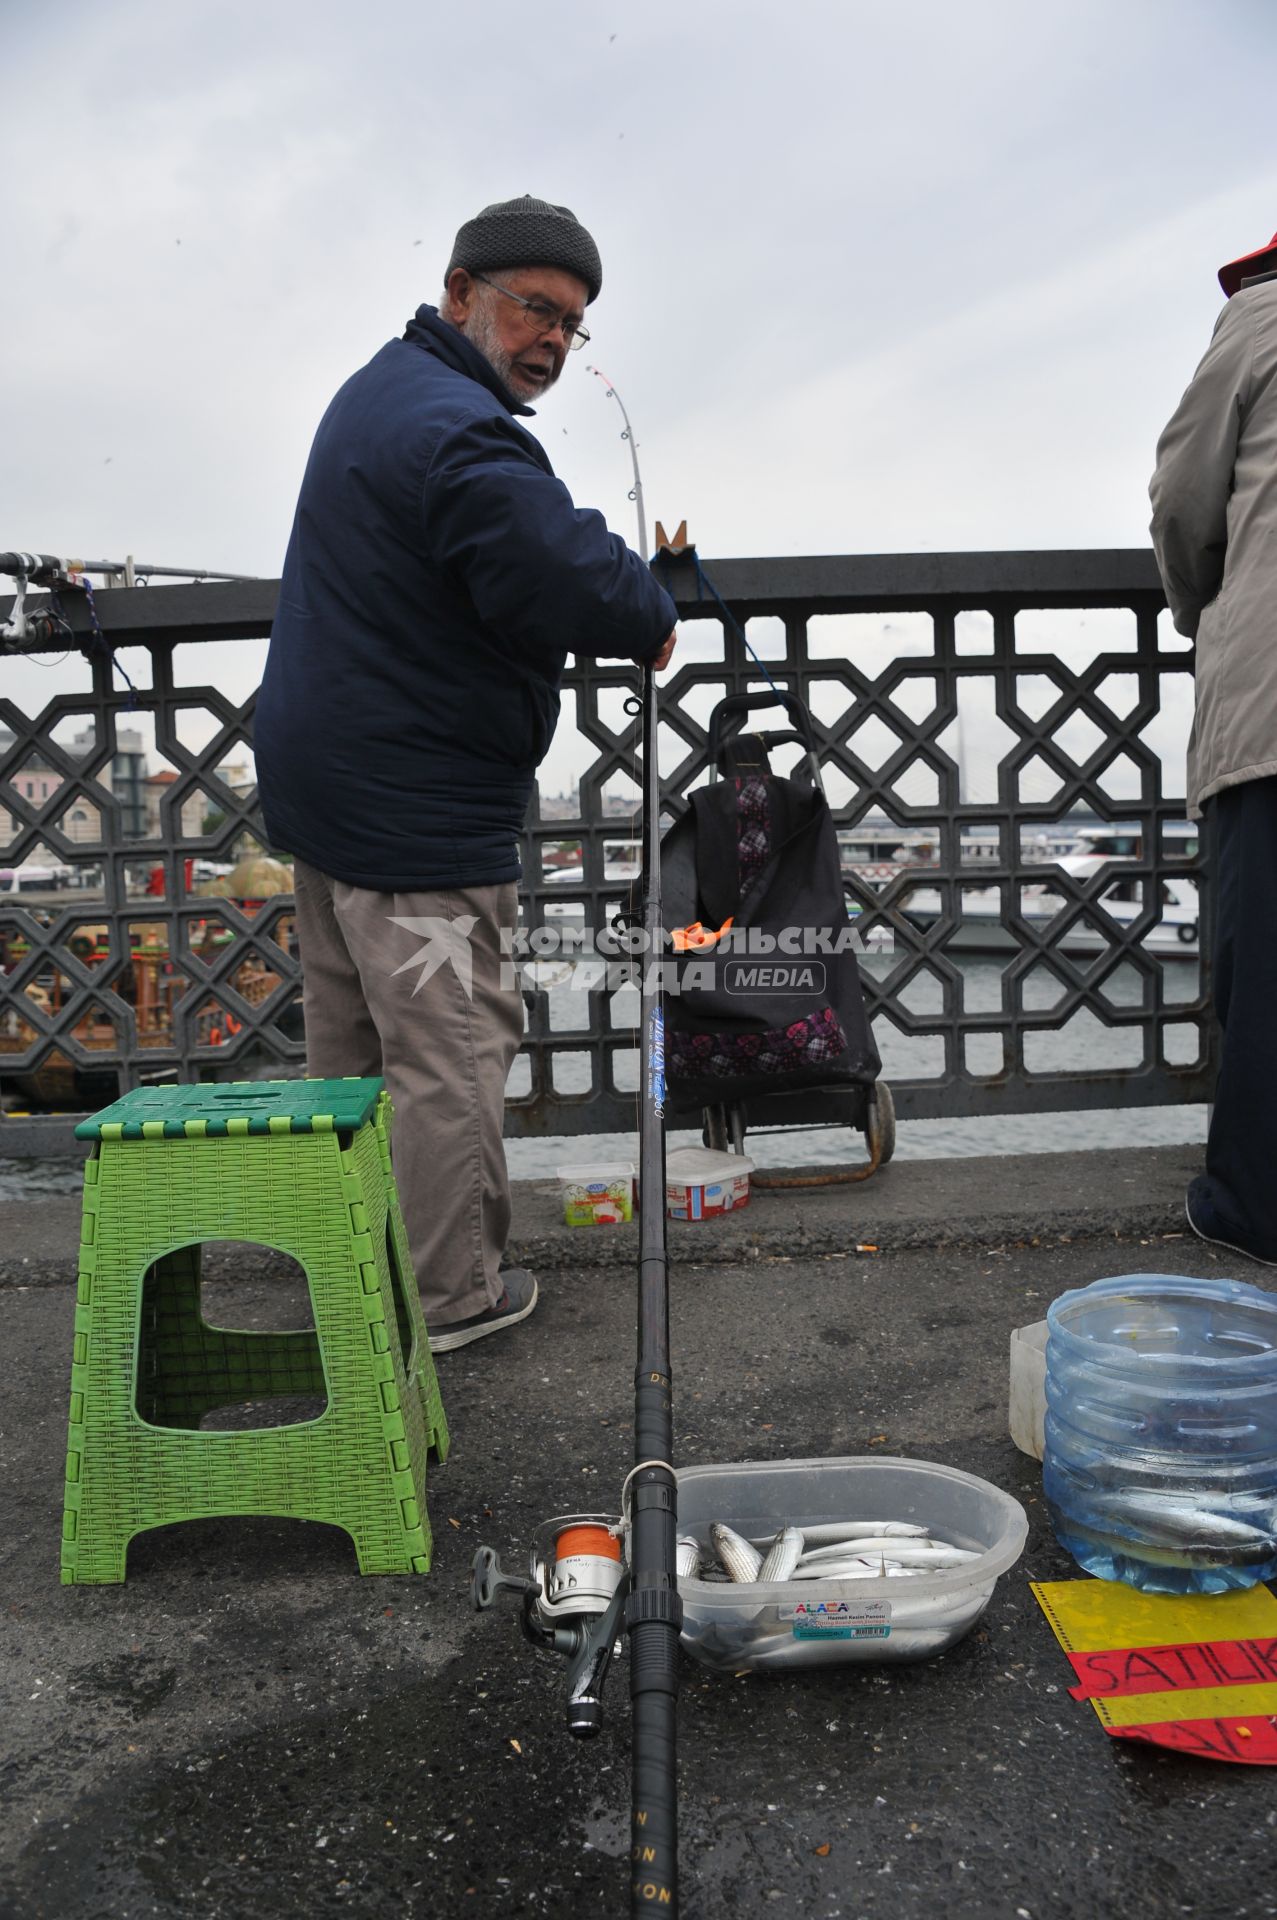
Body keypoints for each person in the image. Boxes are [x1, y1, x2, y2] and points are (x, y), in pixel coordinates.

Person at [254, 195, 677, 1348]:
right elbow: (560, 569)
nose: (550, 339)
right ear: (459, 295)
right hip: (413, 810)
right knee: (445, 1055)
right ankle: (450, 1299)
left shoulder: (376, 392)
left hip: (328, 793)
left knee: (353, 1056)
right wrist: (650, 600)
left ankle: (358, 1275)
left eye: (571, 325)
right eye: (534, 308)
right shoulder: (462, 428)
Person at [1149, 225, 1277, 1265]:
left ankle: (1251, 1205)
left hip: (1269, 710)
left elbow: (1182, 502)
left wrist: (1206, 609)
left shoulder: (1256, 320)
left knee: (1263, 960)